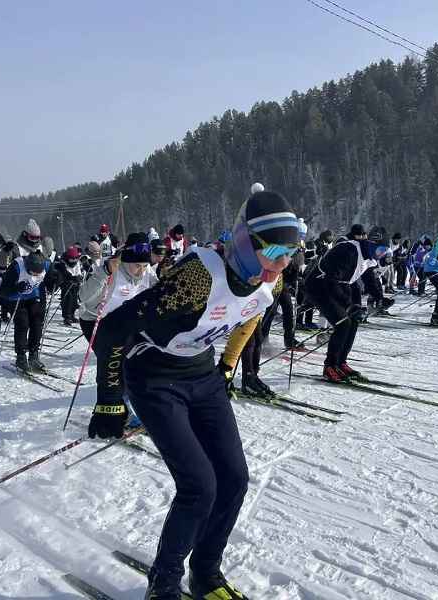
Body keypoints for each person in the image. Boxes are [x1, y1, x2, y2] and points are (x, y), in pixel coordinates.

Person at [91, 190, 299, 599]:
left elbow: (245, 322)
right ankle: (164, 584)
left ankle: (206, 572)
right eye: (274, 250)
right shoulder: (198, 277)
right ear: (244, 242)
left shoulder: (269, 284)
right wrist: (110, 397)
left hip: (202, 375)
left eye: (292, 251)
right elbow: (114, 329)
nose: (283, 262)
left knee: (234, 479)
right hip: (153, 377)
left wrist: (227, 366)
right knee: (199, 486)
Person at [78, 232, 159, 428]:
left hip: (123, 322)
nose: (140, 271)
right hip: (95, 321)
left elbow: (158, 291)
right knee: (114, 365)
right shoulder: (110, 269)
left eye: (144, 265)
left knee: (136, 362)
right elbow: (83, 296)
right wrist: (103, 273)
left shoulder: (147, 272)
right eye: (136, 266)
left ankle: (135, 404)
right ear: (125, 260)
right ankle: (118, 410)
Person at [303, 226, 392, 382]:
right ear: (371, 244)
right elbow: (331, 281)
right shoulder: (349, 250)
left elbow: (368, 279)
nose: (380, 255)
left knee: (354, 321)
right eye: (380, 250)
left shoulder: (368, 256)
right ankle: (329, 366)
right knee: (343, 323)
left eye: (383, 252)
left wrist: (379, 297)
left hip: (339, 286)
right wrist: (349, 304)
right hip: (319, 286)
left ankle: (341, 362)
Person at [0, 251, 52, 372]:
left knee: (37, 323)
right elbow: (3, 291)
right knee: (22, 324)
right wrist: (16, 287)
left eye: (39, 273)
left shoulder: (46, 264)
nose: (35, 275)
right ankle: (21, 356)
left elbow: (53, 275)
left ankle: (34, 355)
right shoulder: (16, 266)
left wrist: (55, 279)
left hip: (34, 296)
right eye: (33, 273)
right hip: (16, 298)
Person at [49, 246, 84, 326]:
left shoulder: (77, 262)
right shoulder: (63, 263)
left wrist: (78, 277)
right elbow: (65, 273)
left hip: (75, 284)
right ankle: (66, 317)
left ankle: (72, 315)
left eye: (75, 259)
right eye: (72, 259)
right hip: (66, 284)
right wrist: (72, 278)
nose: (74, 261)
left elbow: (78, 271)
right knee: (67, 300)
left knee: (74, 300)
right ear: (68, 257)